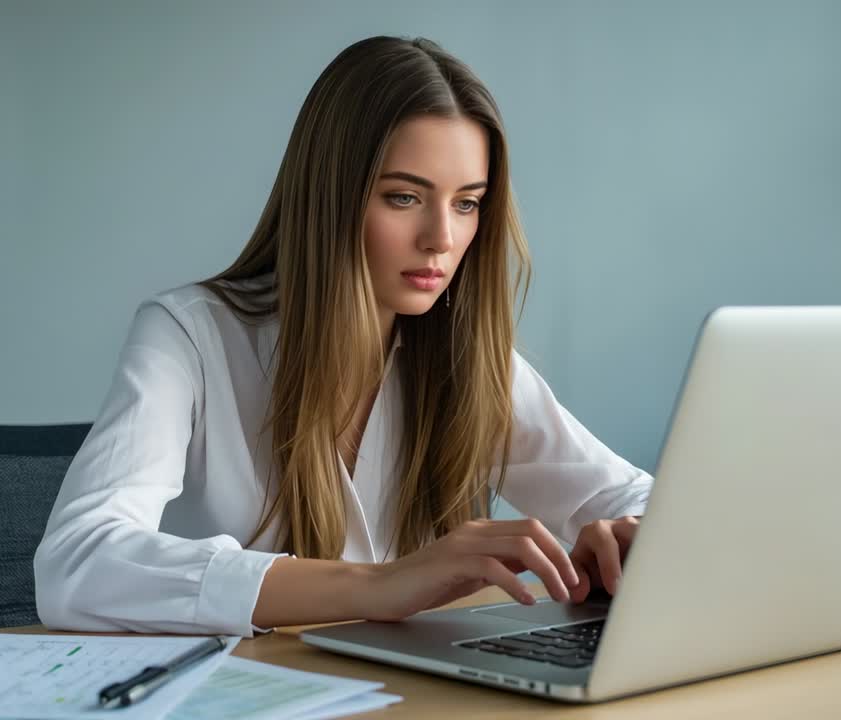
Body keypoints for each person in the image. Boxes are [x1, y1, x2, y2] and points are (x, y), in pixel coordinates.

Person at [34, 35, 652, 636]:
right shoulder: (188, 337)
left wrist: (626, 532)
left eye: (467, 203)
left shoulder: (464, 357)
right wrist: (379, 586)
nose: (441, 237)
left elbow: (648, 503)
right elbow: (77, 564)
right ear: (332, 197)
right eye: (404, 197)